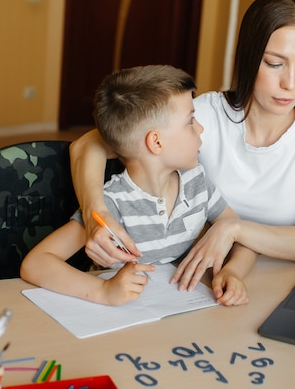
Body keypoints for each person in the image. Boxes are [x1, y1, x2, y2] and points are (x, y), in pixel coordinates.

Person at [69, 0, 295, 292]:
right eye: (275, 64)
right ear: (249, 57)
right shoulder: (204, 115)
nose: (291, 83)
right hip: (200, 281)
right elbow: (86, 146)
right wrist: (95, 215)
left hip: (285, 283)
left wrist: (232, 228)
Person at [21, 65, 256, 306]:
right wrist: (103, 290)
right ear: (156, 141)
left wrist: (234, 271)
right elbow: (36, 263)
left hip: (176, 308)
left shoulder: (197, 182)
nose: (200, 128)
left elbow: (242, 234)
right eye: (191, 121)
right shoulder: (114, 204)